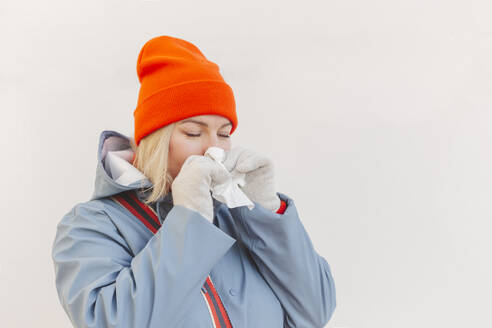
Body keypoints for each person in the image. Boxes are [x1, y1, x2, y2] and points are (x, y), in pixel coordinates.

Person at [51, 35, 336, 328]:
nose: (213, 149)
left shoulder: (237, 214)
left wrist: (266, 211)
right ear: (156, 141)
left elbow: (315, 311)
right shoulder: (90, 225)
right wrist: (190, 221)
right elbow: (113, 322)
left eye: (224, 134)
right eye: (192, 133)